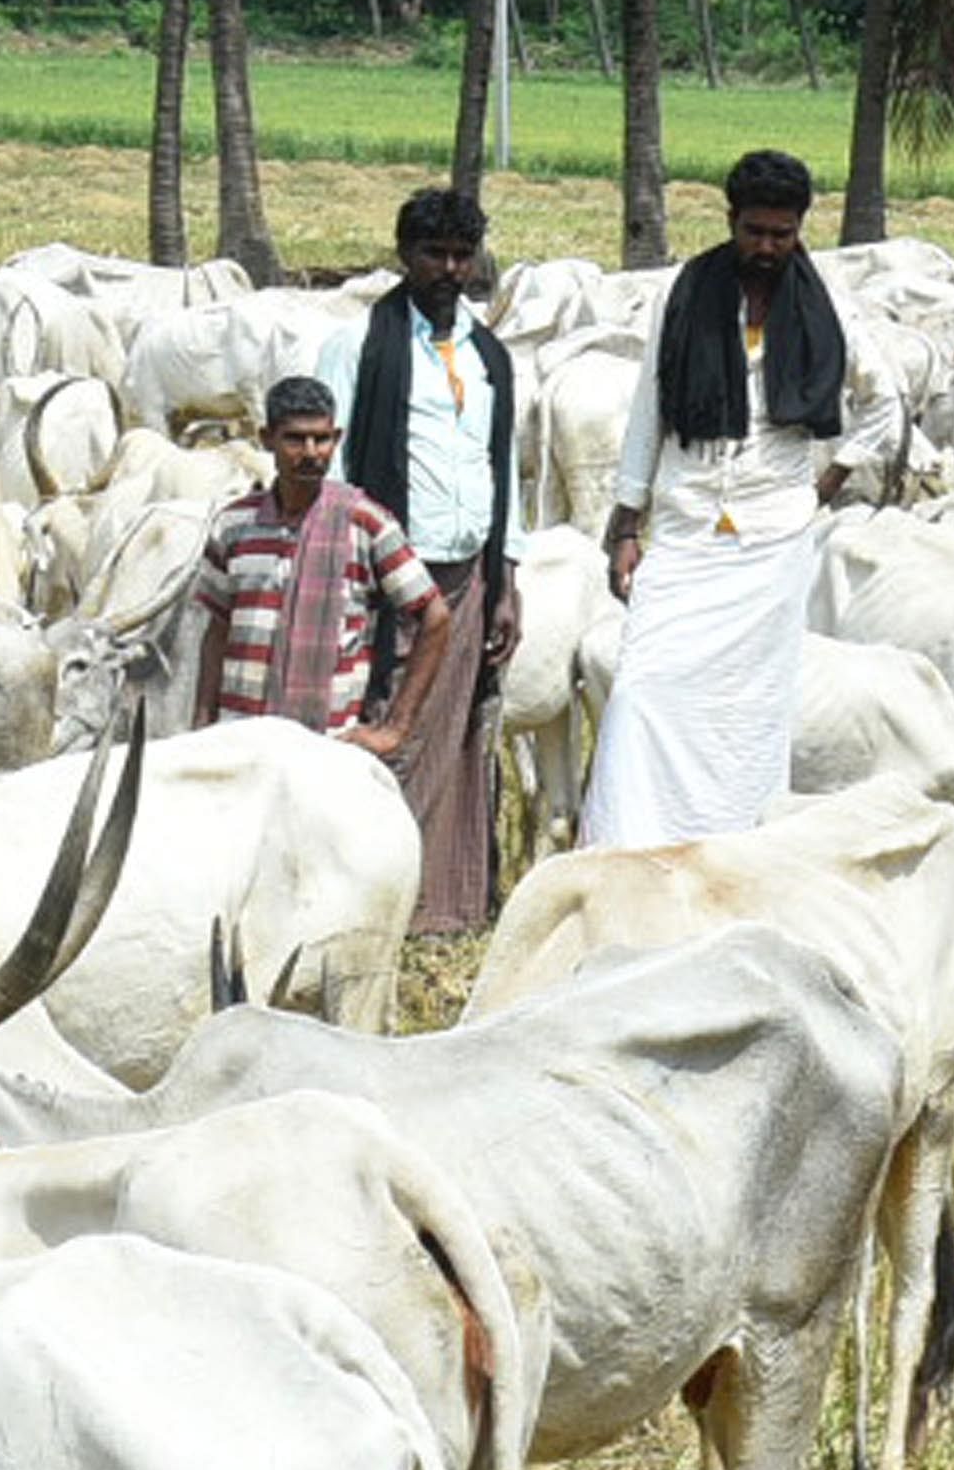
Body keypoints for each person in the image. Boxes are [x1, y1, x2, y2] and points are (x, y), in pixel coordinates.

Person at [590, 148, 897, 849]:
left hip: (774, 537)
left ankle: (733, 853)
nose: (766, 247)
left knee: (748, 712)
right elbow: (649, 409)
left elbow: (885, 403)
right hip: (688, 524)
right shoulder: (686, 290)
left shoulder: (829, 308)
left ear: (799, 230)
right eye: (754, 231)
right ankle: (632, 851)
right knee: (642, 693)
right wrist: (626, 522)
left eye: (781, 234)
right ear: (731, 221)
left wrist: (829, 480)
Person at [317, 187, 516, 931]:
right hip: (388, 573)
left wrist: (508, 577)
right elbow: (330, 469)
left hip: (469, 573)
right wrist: (348, 570)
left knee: (452, 733)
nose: (450, 269)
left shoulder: (487, 352)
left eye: (463, 255)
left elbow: (505, 464)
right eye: (435, 254)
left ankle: (441, 905)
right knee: (387, 725)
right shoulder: (359, 346)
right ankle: (364, 897)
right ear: (405, 256)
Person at [195, 378, 445, 764]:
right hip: (240, 742)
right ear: (266, 439)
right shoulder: (234, 524)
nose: (311, 453)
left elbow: (435, 617)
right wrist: (203, 724)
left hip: (328, 749)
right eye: (294, 440)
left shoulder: (365, 523)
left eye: (322, 439)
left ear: (336, 439)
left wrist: (395, 729)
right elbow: (217, 630)